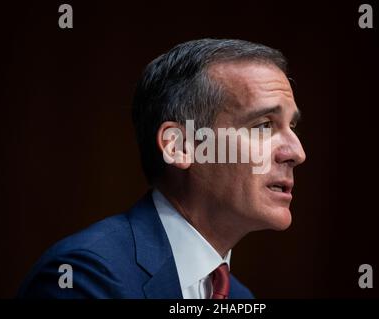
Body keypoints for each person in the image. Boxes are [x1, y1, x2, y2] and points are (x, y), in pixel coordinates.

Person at [18, 39, 306, 299]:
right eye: (263, 126)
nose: (297, 153)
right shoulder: (84, 278)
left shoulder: (240, 298)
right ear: (179, 146)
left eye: (291, 127)